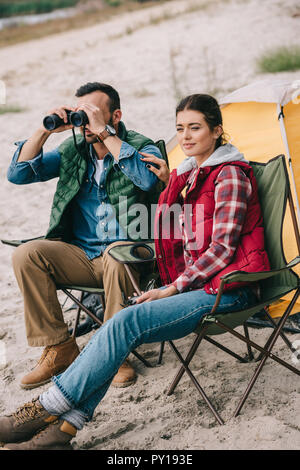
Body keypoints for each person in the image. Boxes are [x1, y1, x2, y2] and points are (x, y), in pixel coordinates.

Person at [0, 94, 270, 450]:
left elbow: (221, 249)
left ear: (217, 131)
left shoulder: (229, 175)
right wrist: (170, 187)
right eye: (179, 129)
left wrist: (170, 289)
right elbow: (179, 235)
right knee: (119, 326)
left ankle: (43, 409)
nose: (186, 137)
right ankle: (62, 431)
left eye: (195, 128)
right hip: (198, 286)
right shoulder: (190, 174)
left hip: (227, 289)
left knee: (123, 323)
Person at [6, 82, 165, 390]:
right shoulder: (74, 150)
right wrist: (45, 130)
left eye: (92, 114)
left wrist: (105, 133)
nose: (86, 123)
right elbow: (19, 174)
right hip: (83, 255)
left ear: (115, 115)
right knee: (26, 254)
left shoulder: (142, 145)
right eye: (81, 115)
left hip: (130, 258)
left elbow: (147, 180)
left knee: (118, 253)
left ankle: (113, 354)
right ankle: (59, 348)